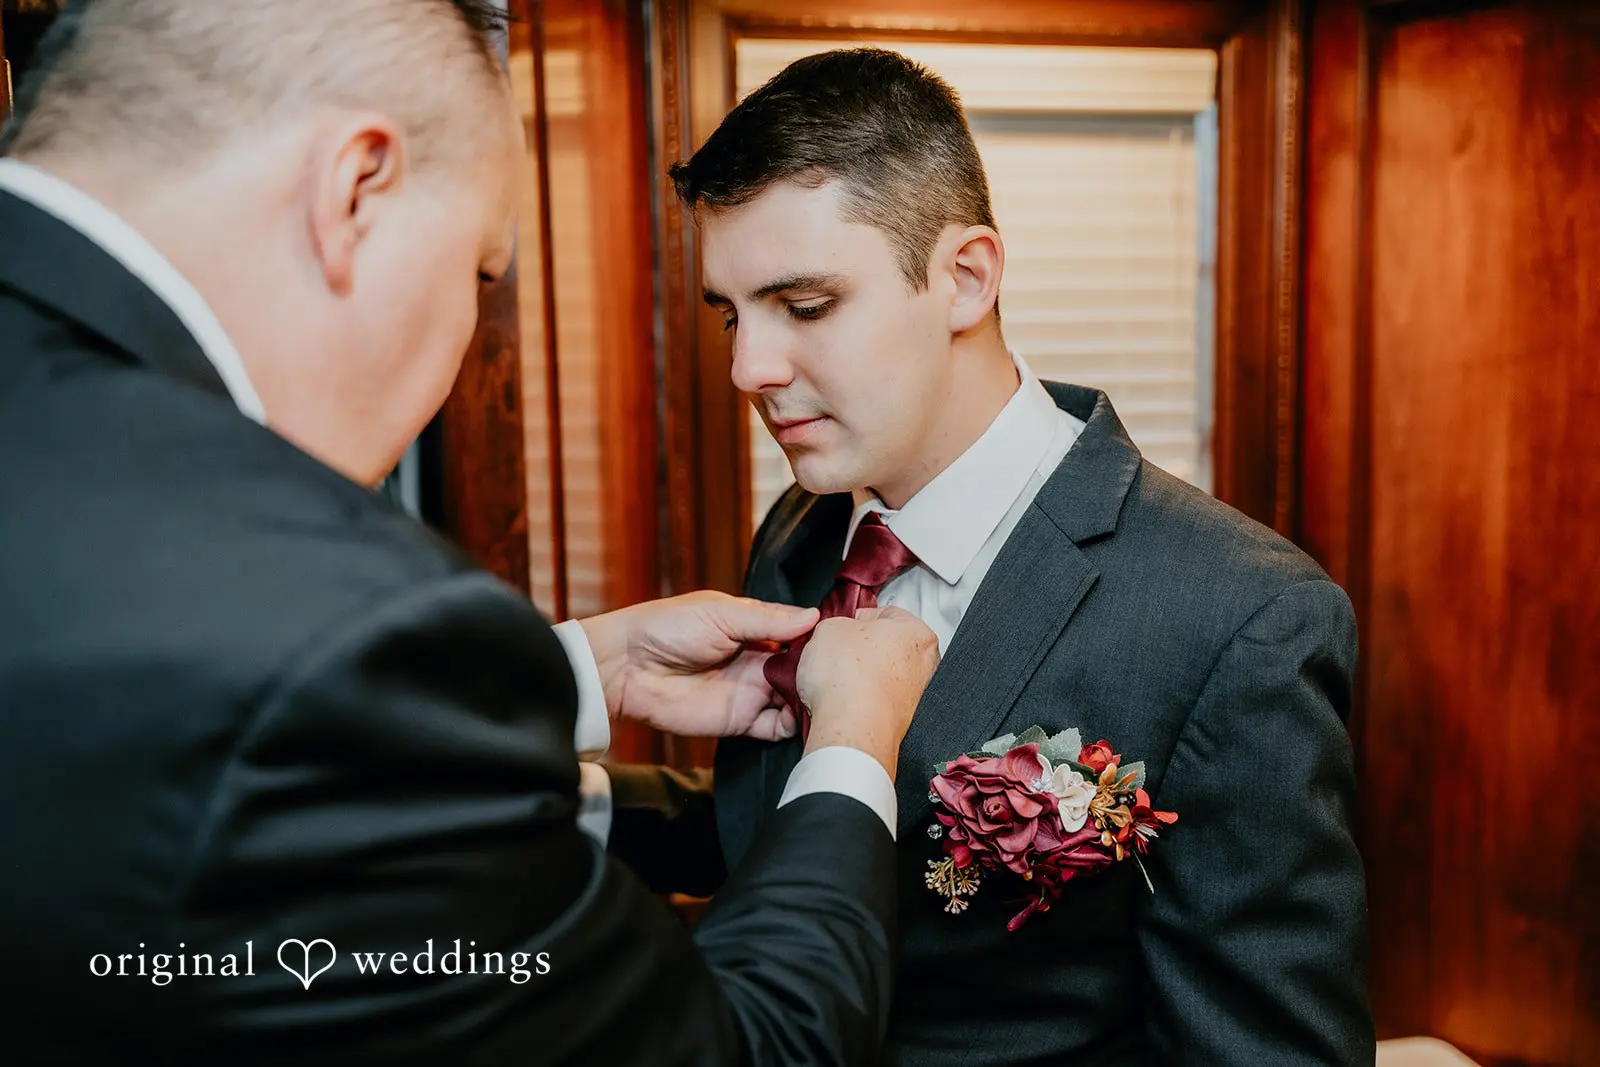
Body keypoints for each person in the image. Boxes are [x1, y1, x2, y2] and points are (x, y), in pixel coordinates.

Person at [0, 5, 942, 1065]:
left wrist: (575, 669)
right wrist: (854, 737)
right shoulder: (331, 619)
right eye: (480, 274)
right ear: (355, 190)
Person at [600, 47, 1376, 1065]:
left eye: (805, 305)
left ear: (964, 278)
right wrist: (563, 794)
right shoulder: (801, 531)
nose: (750, 367)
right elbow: (801, 828)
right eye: (730, 314)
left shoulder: (1239, 617)